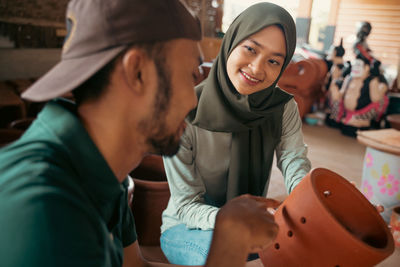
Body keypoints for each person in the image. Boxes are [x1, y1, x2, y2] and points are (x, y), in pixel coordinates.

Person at [0, 0, 279, 266]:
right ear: (137, 72)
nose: (193, 100)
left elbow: (134, 266)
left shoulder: (105, 171)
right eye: (190, 75)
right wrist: (228, 244)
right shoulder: (44, 211)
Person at [160, 2, 312, 265]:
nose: (256, 68)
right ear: (232, 41)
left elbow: (294, 162)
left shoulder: (282, 107)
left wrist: (315, 201)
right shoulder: (186, 110)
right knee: (224, 257)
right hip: (188, 229)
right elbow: (186, 206)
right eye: (250, 49)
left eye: (273, 61)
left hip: (251, 229)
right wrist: (234, 225)